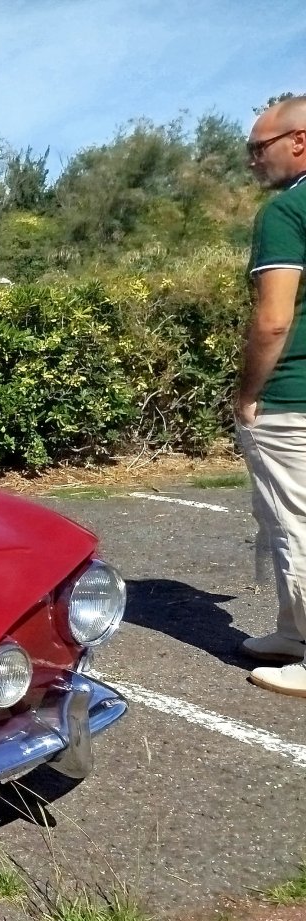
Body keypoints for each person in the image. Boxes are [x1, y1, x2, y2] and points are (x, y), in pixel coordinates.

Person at [236, 96, 306, 696]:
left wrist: (247, 395)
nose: (252, 162)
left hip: (293, 396)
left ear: (298, 141)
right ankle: (293, 630)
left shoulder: (287, 212)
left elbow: (273, 321)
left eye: (258, 149)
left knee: (295, 522)